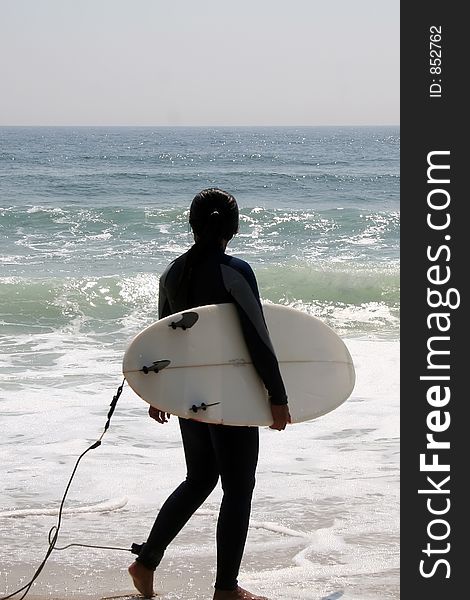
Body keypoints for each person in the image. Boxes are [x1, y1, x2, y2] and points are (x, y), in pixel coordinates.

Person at [128, 188, 291, 600]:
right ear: (233, 228)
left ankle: (145, 562)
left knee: (200, 478)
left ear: (193, 224)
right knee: (238, 489)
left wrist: (158, 393)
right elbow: (258, 337)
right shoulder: (235, 271)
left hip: (190, 393)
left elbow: (163, 341)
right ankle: (226, 588)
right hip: (231, 395)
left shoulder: (173, 273)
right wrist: (278, 395)